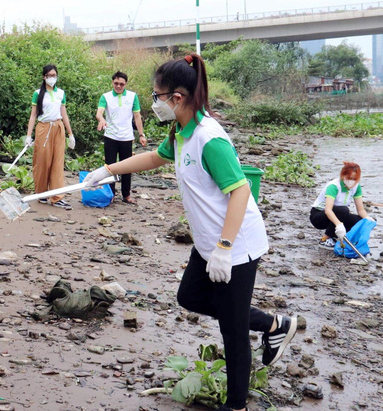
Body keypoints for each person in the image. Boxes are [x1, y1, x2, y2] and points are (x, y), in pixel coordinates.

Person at [83, 54, 297, 411]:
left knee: (232, 331)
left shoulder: (209, 138)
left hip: (236, 244)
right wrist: (107, 169)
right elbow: (154, 158)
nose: (153, 104)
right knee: (190, 297)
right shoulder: (182, 131)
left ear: (177, 98)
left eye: (156, 97)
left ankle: (236, 405)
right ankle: (274, 323)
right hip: (207, 241)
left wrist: (226, 247)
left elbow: (241, 191)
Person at [24, 64, 75, 210]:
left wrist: (70, 134)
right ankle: (41, 194)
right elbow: (33, 115)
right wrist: (29, 136)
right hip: (43, 128)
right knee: (42, 162)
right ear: (44, 77)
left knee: (57, 162)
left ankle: (57, 197)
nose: (51, 78)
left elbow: (64, 114)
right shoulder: (38, 93)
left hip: (58, 128)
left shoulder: (61, 93)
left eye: (54, 75)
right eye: (49, 75)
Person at [96, 71, 147, 204]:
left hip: (126, 137)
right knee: (110, 166)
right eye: (116, 83)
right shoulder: (105, 97)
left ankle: (126, 194)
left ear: (126, 84)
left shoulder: (132, 96)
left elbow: (137, 116)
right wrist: (101, 119)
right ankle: (110, 193)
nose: (118, 86)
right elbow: (99, 112)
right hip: (111, 136)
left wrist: (141, 134)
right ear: (112, 82)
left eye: (121, 84)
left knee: (127, 166)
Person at [310, 161, 374, 248]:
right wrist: (339, 225)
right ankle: (325, 239)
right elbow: (328, 210)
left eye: (354, 179)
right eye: (349, 178)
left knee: (360, 221)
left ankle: (339, 238)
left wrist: (367, 219)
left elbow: (360, 210)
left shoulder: (356, 187)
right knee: (343, 210)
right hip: (319, 216)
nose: (351, 181)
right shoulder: (334, 186)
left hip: (338, 215)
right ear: (342, 175)